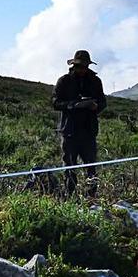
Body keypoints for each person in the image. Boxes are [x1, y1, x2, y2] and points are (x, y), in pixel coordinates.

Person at [52, 50, 107, 195]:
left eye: (85, 66)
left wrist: (96, 107)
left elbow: (103, 102)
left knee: (91, 166)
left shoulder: (95, 81)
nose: (82, 69)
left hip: (89, 131)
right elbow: (55, 102)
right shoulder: (64, 81)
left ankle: (92, 195)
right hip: (69, 131)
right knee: (69, 165)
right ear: (74, 65)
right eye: (79, 66)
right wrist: (72, 105)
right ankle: (70, 195)